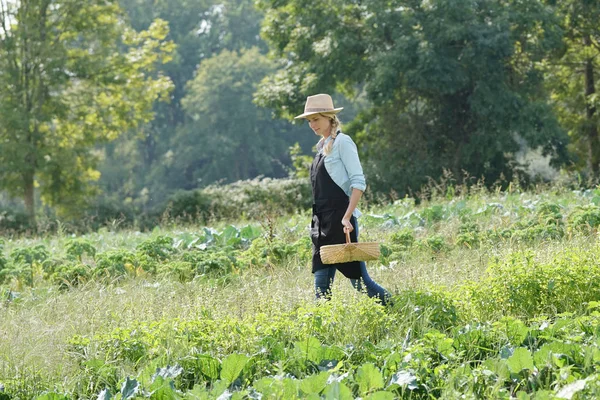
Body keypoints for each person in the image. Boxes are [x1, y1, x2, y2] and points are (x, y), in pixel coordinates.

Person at [294, 94, 391, 305]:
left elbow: (359, 183)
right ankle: (321, 334)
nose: (312, 125)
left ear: (329, 117)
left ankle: (397, 307)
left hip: (341, 221)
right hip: (321, 223)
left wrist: (347, 217)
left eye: (316, 119)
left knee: (359, 283)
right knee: (321, 287)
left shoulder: (343, 142)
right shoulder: (321, 148)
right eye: (309, 121)